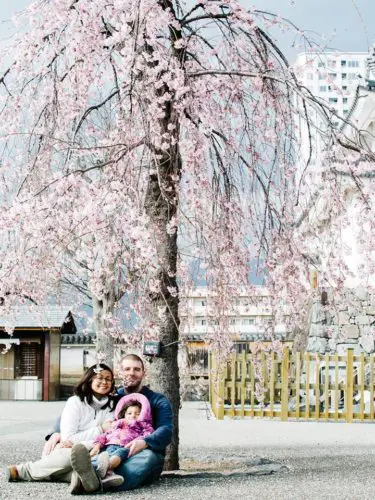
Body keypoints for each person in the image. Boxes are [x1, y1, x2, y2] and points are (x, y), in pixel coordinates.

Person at [6, 363, 124, 493]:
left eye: (108, 379)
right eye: (99, 378)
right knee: (71, 455)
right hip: (68, 450)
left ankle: (79, 479)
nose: (104, 382)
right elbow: (68, 437)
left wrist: (81, 442)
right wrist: (99, 429)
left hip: (96, 451)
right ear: (89, 379)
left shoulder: (112, 406)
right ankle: (25, 470)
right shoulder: (75, 402)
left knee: (85, 458)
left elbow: (108, 437)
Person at [68, 353, 173, 494]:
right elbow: (84, 407)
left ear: (144, 372)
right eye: (127, 369)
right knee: (96, 457)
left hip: (142, 451)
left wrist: (145, 442)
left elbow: (166, 430)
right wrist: (55, 433)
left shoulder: (157, 400)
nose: (132, 373)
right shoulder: (113, 397)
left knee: (146, 459)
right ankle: (95, 481)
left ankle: (90, 482)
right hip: (111, 449)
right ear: (120, 372)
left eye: (136, 369)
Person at [91, 392, 154, 480]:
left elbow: (148, 434)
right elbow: (106, 435)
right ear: (124, 414)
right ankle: (89, 468)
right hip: (110, 445)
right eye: (129, 413)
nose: (133, 415)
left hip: (126, 447)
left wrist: (137, 441)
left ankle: (107, 469)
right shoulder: (116, 425)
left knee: (118, 454)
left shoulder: (142, 425)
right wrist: (97, 445)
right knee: (102, 456)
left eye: (137, 413)